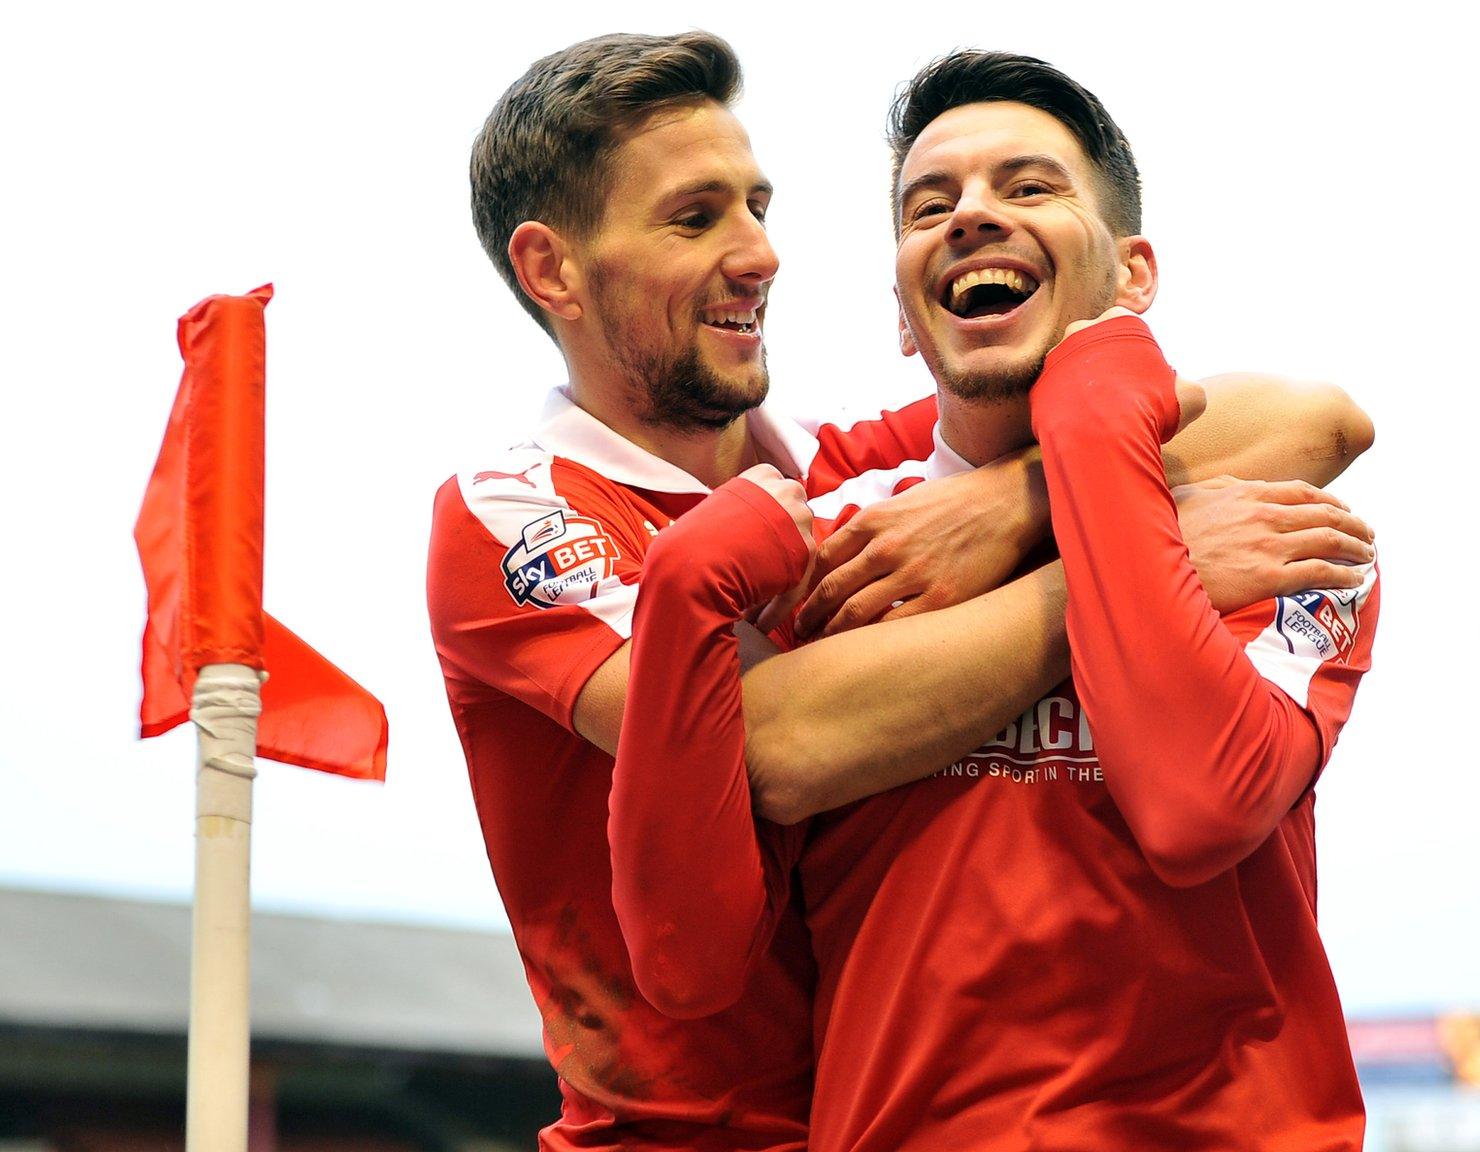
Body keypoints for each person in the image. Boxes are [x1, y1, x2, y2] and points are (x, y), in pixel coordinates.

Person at [428, 31, 1374, 1151]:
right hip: (681, 1136)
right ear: (552, 270)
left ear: (1132, 268)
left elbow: (1318, 420)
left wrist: (1013, 507)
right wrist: (1119, 569)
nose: (760, 255)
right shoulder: (516, 512)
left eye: (759, 208)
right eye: (696, 219)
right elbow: (754, 742)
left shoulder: (830, 478)